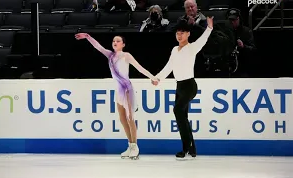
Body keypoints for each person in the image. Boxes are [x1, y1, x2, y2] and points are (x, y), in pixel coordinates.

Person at [75, 33, 159, 160]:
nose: (115, 42)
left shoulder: (126, 56)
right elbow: (99, 47)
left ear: (123, 44)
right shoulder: (110, 56)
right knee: (122, 118)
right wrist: (87, 36)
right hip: (118, 91)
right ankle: (130, 145)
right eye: (114, 41)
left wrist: (153, 78)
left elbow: (140, 68)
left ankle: (135, 147)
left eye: (118, 41)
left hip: (127, 90)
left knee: (130, 118)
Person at [152, 16, 213, 159]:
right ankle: (191, 148)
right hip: (179, 86)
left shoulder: (192, 48)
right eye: (177, 33)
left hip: (189, 86)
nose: (179, 36)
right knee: (182, 117)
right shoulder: (174, 50)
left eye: (182, 33)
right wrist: (158, 78)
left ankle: (186, 147)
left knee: (178, 110)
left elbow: (203, 40)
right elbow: (169, 66)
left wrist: (209, 28)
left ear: (188, 34)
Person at [227, 8, 256, 77]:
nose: (232, 22)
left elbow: (253, 49)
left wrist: (243, 46)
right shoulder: (225, 31)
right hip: (227, 67)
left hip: (243, 67)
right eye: (230, 20)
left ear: (239, 19)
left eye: (234, 20)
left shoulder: (246, 31)